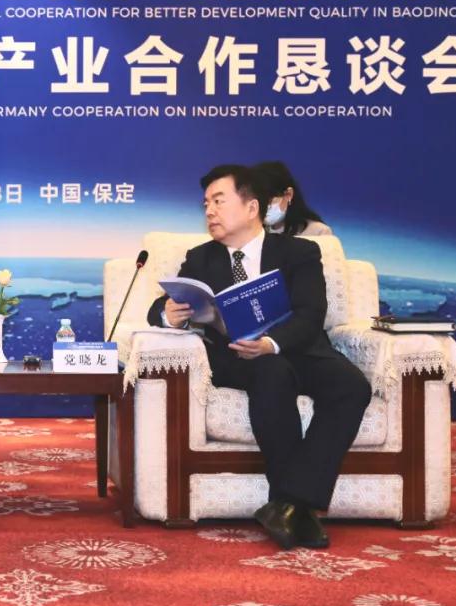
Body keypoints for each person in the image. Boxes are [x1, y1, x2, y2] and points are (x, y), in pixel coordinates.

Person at [147, 164, 370, 549]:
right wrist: (168, 314)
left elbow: (311, 314)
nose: (209, 211)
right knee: (272, 373)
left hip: (296, 349)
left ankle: (289, 503)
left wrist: (272, 343)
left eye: (219, 201)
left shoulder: (300, 252)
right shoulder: (201, 259)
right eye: (205, 204)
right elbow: (162, 305)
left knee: (351, 385)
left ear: (252, 208)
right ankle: (296, 507)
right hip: (237, 359)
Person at [253, 160, 332, 236]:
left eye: (269, 201)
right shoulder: (255, 234)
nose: (264, 207)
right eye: (259, 201)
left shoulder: (318, 232)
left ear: (288, 195)